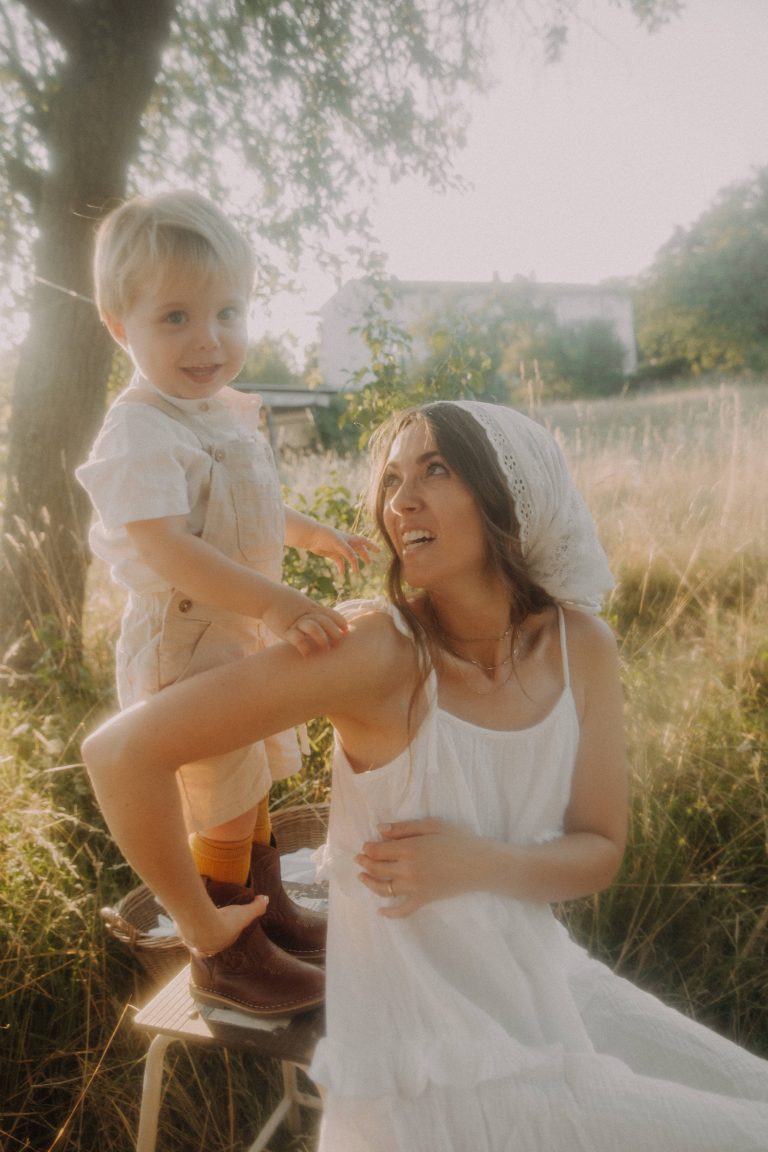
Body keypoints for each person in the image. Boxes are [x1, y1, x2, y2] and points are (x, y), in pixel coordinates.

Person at [83, 400, 768, 1151]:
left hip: (547, 983)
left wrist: (476, 864)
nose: (398, 500)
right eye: (392, 479)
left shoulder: (582, 645)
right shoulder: (376, 652)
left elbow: (598, 850)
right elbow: (121, 756)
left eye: (435, 470)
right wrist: (203, 929)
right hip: (436, 1070)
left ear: (512, 496)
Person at [76, 190, 374, 1017]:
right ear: (118, 324)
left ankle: (266, 903)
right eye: (174, 316)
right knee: (222, 785)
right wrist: (278, 604)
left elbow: (242, 509)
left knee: (255, 777)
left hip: (233, 629)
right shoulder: (140, 430)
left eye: (227, 311)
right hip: (187, 639)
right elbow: (171, 545)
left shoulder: (214, 415)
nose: (208, 338)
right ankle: (227, 955)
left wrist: (312, 535)